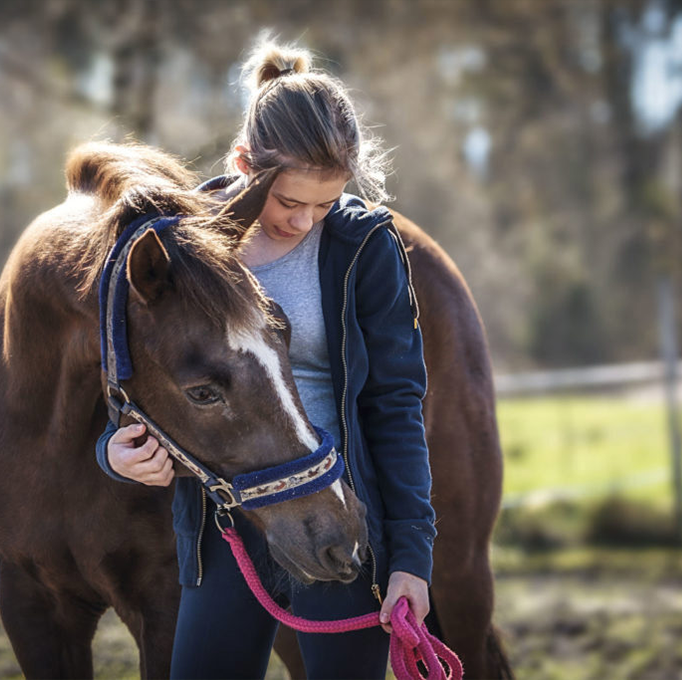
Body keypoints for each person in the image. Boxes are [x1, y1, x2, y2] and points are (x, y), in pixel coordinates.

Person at [96, 36, 435, 680]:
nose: (306, 221)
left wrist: (411, 557)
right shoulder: (180, 249)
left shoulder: (366, 248)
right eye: (288, 202)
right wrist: (112, 452)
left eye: (325, 204)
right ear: (245, 163)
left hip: (337, 516)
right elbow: (134, 381)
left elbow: (395, 407)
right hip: (223, 528)